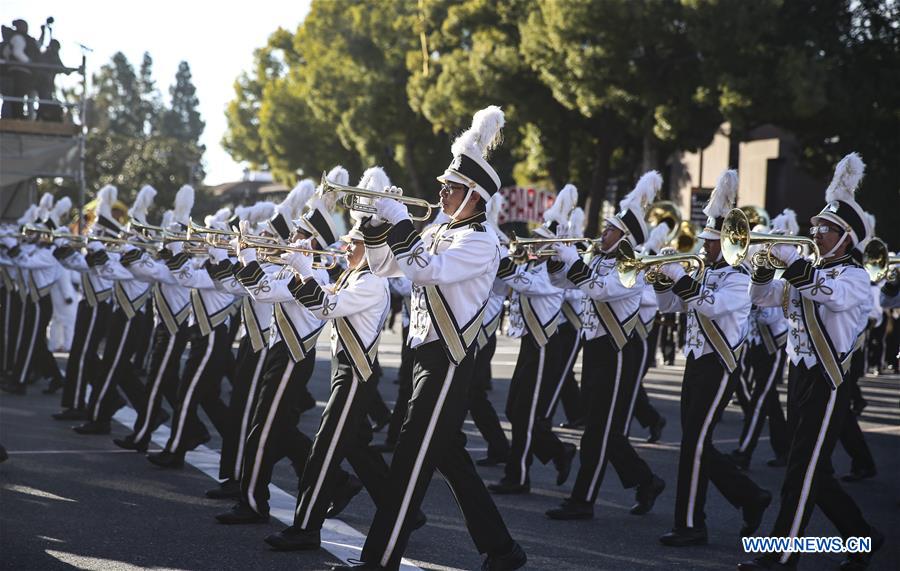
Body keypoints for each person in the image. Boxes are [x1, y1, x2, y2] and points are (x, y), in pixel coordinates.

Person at [345, 106, 525, 571]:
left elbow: (429, 270)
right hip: (425, 356)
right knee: (448, 458)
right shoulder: (441, 228)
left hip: (447, 359)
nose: (441, 193)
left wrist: (401, 223)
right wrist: (375, 226)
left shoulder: (482, 241)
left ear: (474, 195)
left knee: (409, 461)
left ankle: (378, 561)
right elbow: (390, 269)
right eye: (443, 186)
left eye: (450, 188)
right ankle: (503, 550)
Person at [740, 153, 884, 570]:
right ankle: (863, 538)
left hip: (828, 378)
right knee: (814, 475)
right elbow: (763, 299)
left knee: (800, 473)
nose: (817, 233)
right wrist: (764, 268)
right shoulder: (812, 270)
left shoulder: (853, 277)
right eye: (817, 227)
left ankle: (780, 556)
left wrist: (793, 261)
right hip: (800, 373)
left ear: (847, 237)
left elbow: (830, 296)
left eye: (827, 229)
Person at [265, 168, 411, 551]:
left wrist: (303, 274)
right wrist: (301, 271)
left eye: (354, 243)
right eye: (347, 242)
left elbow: (324, 306)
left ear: (372, 248)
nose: (346, 247)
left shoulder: (370, 283)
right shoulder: (353, 277)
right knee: (348, 450)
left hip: (355, 379)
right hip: (344, 376)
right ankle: (405, 514)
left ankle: (305, 529)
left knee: (322, 455)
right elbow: (322, 293)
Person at [654, 170, 771, 546]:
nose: (703, 248)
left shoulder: (739, 276)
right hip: (696, 361)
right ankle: (749, 497)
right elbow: (669, 305)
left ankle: (691, 524)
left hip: (720, 366)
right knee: (694, 441)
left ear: (727, 243)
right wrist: (663, 281)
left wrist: (682, 279)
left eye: (709, 243)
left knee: (694, 443)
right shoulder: (705, 271)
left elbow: (715, 307)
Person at [544, 171, 666, 521]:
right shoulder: (599, 258)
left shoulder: (633, 266)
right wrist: (557, 257)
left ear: (624, 236)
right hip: (595, 349)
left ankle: (583, 500)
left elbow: (601, 290)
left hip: (617, 352)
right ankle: (646, 480)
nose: (603, 232)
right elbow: (561, 281)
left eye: (610, 229)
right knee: (603, 429)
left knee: (597, 432)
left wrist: (572, 260)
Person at [488, 184, 575, 495]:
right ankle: (557, 451)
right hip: (530, 344)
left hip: (545, 345)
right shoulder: (534, 265)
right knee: (514, 410)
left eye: (543, 241)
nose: (537, 244)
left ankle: (519, 476)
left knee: (525, 413)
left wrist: (498, 255)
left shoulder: (555, 272)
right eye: (537, 239)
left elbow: (524, 284)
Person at [730, 210, 795, 470]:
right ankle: (784, 449)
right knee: (769, 402)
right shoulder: (754, 270)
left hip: (774, 344)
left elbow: (772, 314)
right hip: (757, 343)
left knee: (759, 398)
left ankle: (744, 452)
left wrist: (753, 304)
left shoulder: (783, 274)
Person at [1, 19, 38, 119]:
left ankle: (17, 116)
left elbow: (6, 52)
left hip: (18, 72)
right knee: (18, 96)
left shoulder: (15, 38)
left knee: (18, 96)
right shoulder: (18, 37)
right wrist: (29, 62)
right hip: (20, 72)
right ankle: (17, 117)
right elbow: (16, 52)